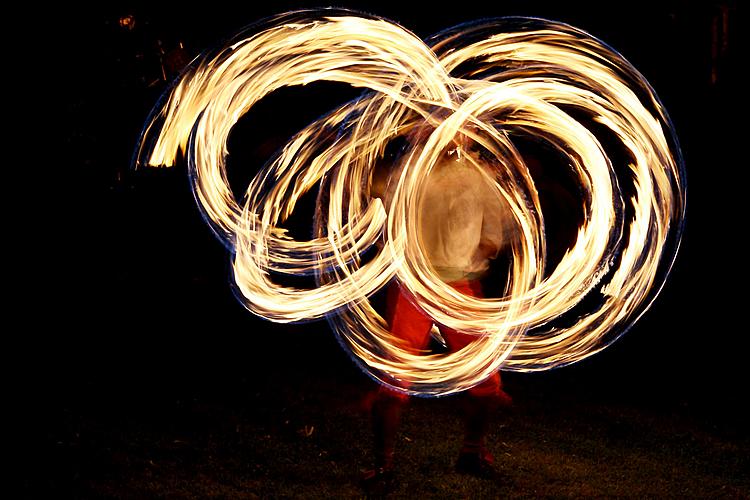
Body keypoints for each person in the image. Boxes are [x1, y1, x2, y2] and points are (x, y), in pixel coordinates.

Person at [362, 141, 516, 492]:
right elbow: (379, 208)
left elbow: (492, 239)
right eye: (432, 124)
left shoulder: (479, 178)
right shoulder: (409, 173)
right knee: (394, 381)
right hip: (412, 288)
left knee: (485, 381)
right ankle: (383, 465)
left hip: (460, 289)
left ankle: (472, 453)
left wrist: (467, 256)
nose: (444, 135)